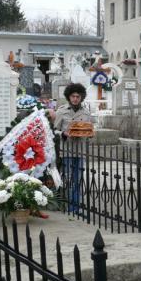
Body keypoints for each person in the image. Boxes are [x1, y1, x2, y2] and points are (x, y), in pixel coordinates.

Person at [54, 83, 94, 215]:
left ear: (81, 97)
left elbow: (90, 130)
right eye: (73, 96)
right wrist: (64, 134)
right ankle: (67, 205)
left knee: (78, 179)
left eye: (78, 96)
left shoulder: (86, 113)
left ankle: (76, 207)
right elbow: (54, 131)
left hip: (80, 150)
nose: (75, 99)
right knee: (68, 179)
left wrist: (89, 133)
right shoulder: (61, 111)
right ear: (69, 97)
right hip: (67, 150)